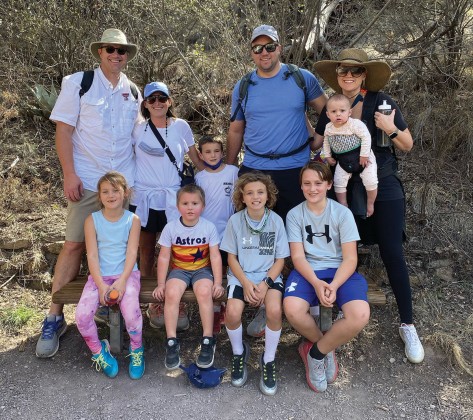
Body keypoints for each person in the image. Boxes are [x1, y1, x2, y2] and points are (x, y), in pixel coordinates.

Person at [313, 48, 424, 364]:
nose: (348, 76)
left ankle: (408, 324)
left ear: (364, 74)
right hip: (345, 185)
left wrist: (389, 127)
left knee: (391, 252)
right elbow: (320, 143)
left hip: (382, 183)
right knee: (345, 251)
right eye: (342, 71)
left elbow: (408, 144)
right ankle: (341, 313)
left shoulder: (381, 102)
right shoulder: (332, 107)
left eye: (355, 71)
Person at [36, 28, 142, 358]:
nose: (116, 55)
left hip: (123, 185)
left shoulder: (134, 91)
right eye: (110, 49)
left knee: (126, 246)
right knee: (73, 245)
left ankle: (116, 309)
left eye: (122, 50)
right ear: (100, 52)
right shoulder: (78, 83)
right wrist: (69, 173)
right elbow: (64, 130)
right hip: (86, 180)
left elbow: (139, 136)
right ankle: (54, 317)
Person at [226, 24, 328, 222]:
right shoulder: (243, 86)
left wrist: (317, 138)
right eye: (258, 48)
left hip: (296, 168)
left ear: (279, 48)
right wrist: (229, 167)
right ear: (252, 53)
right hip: (255, 168)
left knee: (296, 233)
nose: (264, 52)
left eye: (270, 47)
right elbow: (235, 131)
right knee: (253, 234)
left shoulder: (302, 78)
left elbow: (328, 111)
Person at [283, 162, 370, 393]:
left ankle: (314, 353)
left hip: (340, 271)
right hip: (309, 271)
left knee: (359, 315)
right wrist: (316, 283)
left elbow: (351, 259)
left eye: (318, 183)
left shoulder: (342, 213)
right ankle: (325, 347)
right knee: (291, 308)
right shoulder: (294, 215)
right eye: (307, 184)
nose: (313, 189)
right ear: (301, 186)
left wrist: (333, 285)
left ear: (329, 184)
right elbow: (298, 257)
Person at [130, 81, 201, 332]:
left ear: (169, 101)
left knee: (176, 251)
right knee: (146, 252)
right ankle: (150, 302)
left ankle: (175, 300)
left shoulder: (180, 126)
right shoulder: (137, 129)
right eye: (152, 99)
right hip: (144, 198)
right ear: (145, 104)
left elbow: (195, 159)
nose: (158, 103)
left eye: (162, 98)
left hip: (173, 199)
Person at [220, 172, 290, 396]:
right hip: (242, 276)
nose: (255, 196)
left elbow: (280, 259)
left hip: (268, 277)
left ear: (268, 195)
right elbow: (231, 258)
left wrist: (266, 283)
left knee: (274, 310)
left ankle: (268, 359)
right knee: (232, 312)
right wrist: (246, 283)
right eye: (249, 193)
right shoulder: (235, 220)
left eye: (260, 192)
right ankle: (239, 352)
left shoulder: (276, 221)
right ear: (242, 196)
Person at [75, 171, 144, 379]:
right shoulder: (92, 220)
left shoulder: (133, 219)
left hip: (127, 275)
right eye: (105, 191)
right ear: (99, 195)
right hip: (99, 277)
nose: (110, 195)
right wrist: (101, 285)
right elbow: (93, 255)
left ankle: (137, 350)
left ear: (125, 193)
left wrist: (122, 282)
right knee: (82, 316)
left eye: (115, 190)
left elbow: (132, 252)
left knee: (131, 314)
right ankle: (99, 351)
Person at [152, 184, 225, 370]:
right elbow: (164, 256)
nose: (190, 207)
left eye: (195, 203)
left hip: (202, 270)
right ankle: (171, 341)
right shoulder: (171, 228)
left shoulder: (208, 227)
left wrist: (217, 282)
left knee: (203, 291)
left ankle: (208, 339)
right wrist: (161, 283)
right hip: (179, 270)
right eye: (185, 203)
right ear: (178, 206)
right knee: (171, 293)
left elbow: (215, 256)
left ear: (203, 206)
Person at [195, 136, 239, 333]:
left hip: (229, 232)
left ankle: (229, 308)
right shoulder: (200, 177)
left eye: (216, 151)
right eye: (207, 152)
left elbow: (239, 200)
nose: (212, 155)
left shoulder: (233, 172)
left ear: (222, 152)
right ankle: (214, 309)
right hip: (207, 234)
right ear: (201, 155)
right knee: (212, 274)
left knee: (230, 271)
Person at [323, 94, 378, 217]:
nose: (338, 114)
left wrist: (364, 155)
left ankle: (370, 203)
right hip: (343, 160)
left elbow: (366, 137)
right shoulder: (329, 127)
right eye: (333, 111)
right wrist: (327, 156)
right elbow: (326, 141)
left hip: (362, 156)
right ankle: (343, 204)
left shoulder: (355, 124)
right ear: (328, 114)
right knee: (338, 182)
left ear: (349, 112)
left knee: (371, 180)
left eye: (342, 111)